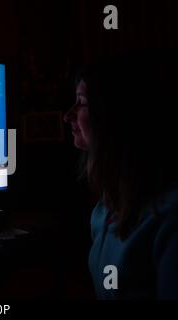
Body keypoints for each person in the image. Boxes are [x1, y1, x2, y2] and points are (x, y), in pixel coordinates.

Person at [64, 50, 178, 299]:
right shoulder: (103, 211)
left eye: (81, 102)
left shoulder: (168, 219)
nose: (68, 115)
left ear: (116, 113)